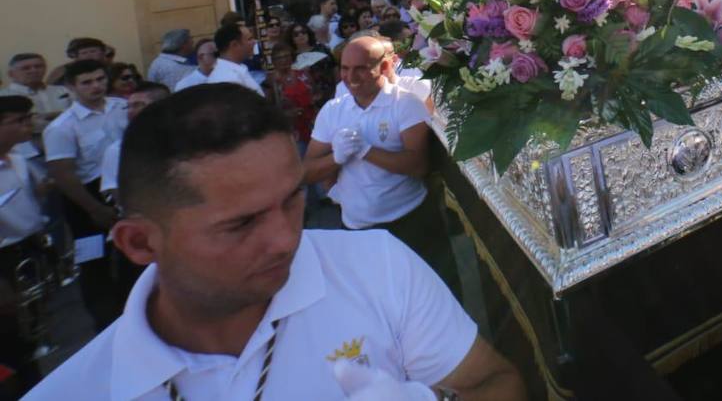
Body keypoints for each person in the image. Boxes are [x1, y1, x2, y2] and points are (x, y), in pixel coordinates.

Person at [29, 84, 525, 400]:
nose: (286, 239)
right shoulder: (81, 388)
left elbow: (496, 383)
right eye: (240, 224)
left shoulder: (376, 265)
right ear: (139, 243)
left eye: (291, 200)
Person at [304, 38, 460, 289]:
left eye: (361, 68)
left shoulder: (404, 103)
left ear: (385, 66)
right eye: (345, 69)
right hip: (358, 229)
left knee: (434, 290)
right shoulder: (332, 111)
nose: (351, 77)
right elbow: (305, 172)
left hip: (411, 222)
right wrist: (335, 160)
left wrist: (365, 150)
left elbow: (418, 165)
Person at [42, 59, 127, 328]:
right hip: (86, 198)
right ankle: (105, 324)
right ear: (71, 87)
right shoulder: (61, 127)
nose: (96, 86)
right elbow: (63, 174)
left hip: (124, 186)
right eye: (87, 82)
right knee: (94, 262)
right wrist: (94, 208)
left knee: (130, 253)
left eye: (100, 79)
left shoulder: (120, 107)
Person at [0, 94, 47, 393]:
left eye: (28, 119)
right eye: (18, 121)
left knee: (30, 321)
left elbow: (34, 197)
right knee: (9, 332)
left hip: (27, 246)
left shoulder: (18, 158)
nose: (27, 126)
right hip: (2, 256)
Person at [99, 81, 171, 198]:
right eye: (129, 106)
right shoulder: (118, 150)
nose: (130, 111)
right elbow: (117, 194)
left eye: (138, 105)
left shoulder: (186, 140)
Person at [1, 53, 70, 136]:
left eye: (38, 66)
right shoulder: (3, 96)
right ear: (11, 74)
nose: (34, 70)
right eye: (26, 68)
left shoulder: (63, 90)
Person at [205, 23, 265, 96]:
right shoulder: (228, 79)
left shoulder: (234, 71)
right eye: (249, 39)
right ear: (234, 45)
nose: (254, 42)